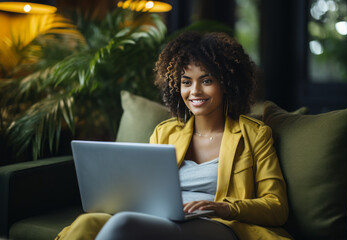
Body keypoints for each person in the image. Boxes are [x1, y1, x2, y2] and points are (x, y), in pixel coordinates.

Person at [55, 31, 292, 240]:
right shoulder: (165, 132)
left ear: (228, 84)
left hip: (220, 224)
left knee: (124, 224)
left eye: (206, 80)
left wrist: (223, 207)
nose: (194, 91)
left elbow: (277, 206)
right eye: (186, 82)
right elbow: (143, 191)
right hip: (162, 219)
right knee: (87, 222)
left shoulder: (255, 135)